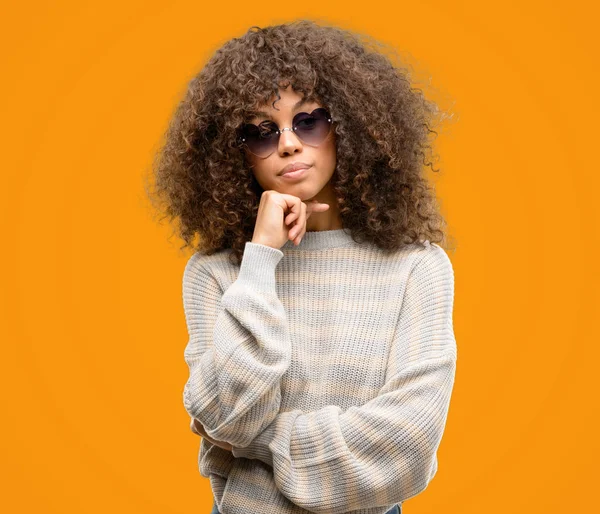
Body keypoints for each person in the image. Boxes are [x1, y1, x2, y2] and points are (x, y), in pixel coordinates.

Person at [146, 19, 458, 514]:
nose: (289, 144)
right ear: (236, 155)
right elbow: (224, 412)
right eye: (261, 133)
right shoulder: (217, 273)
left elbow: (409, 443)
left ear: (349, 127)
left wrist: (257, 441)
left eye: (308, 121)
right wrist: (261, 258)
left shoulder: (415, 268)